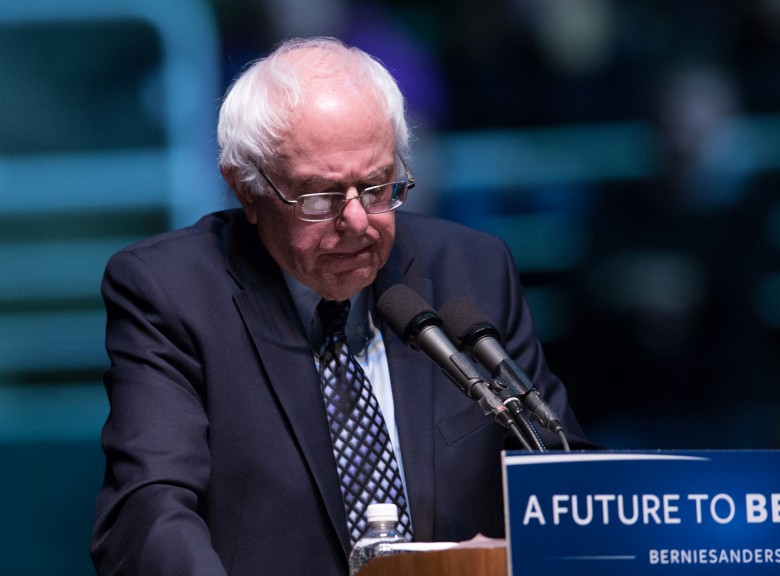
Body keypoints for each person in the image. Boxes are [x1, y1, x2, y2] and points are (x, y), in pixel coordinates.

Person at [90, 36, 594, 576]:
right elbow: (148, 512)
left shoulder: (471, 270)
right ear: (246, 190)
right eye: (320, 198)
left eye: (378, 187)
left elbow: (562, 474)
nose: (357, 222)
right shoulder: (172, 292)